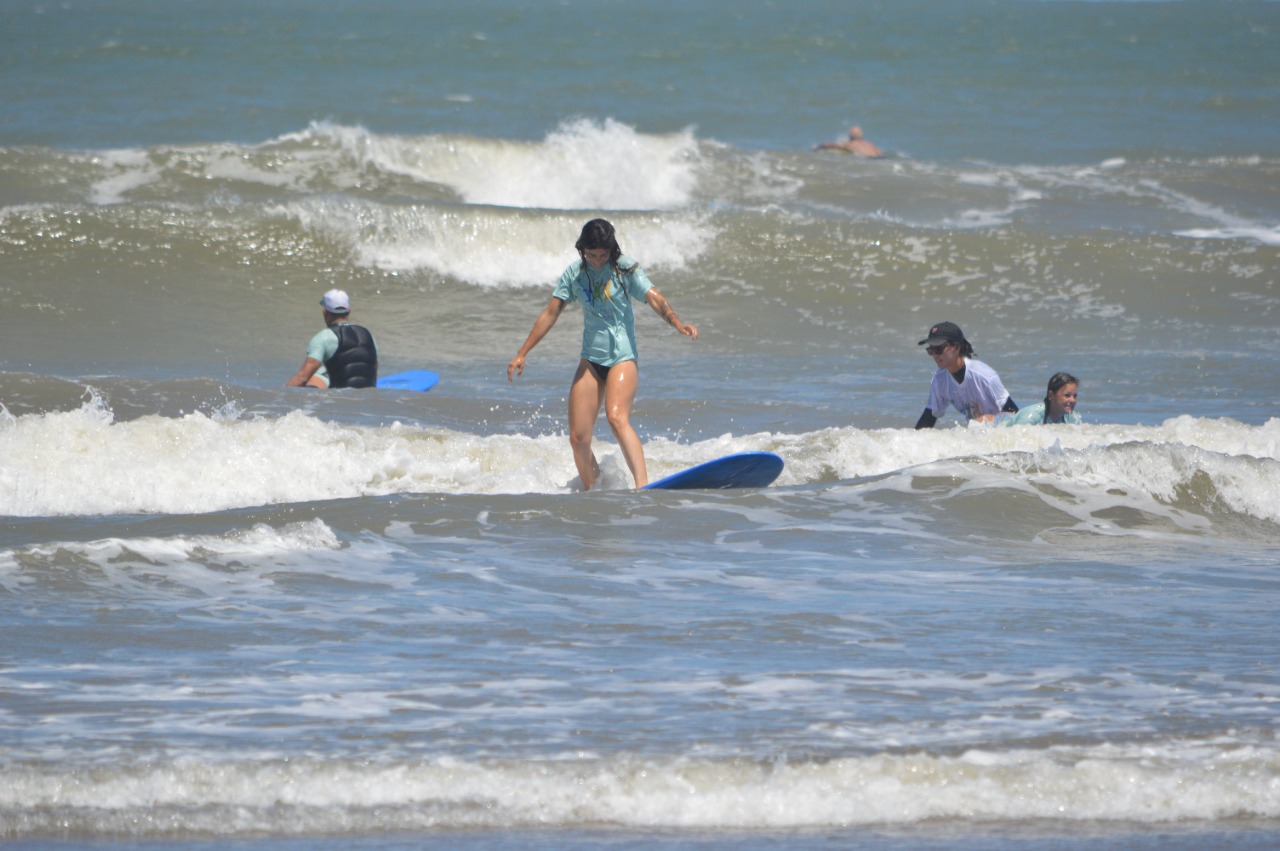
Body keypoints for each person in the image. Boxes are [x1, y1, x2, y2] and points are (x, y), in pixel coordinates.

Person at [507, 219, 699, 490]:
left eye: (603, 255)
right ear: (582, 250)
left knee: (616, 417)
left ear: (612, 250)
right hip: (591, 359)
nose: (597, 261)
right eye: (591, 255)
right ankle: (596, 489)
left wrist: (677, 323)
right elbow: (551, 313)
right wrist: (522, 352)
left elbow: (653, 297)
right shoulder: (575, 274)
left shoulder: (625, 269)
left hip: (622, 357)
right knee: (578, 439)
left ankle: (643, 487)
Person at [914, 321, 1018, 429]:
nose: (935, 355)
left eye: (939, 349)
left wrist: (990, 422)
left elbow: (1015, 416)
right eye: (931, 350)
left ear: (957, 347)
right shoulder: (939, 380)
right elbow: (928, 418)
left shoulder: (984, 376)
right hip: (976, 433)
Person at [284, 289, 378, 388]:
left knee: (315, 378)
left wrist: (281, 394)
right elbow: (374, 368)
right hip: (368, 395)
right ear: (349, 311)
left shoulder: (324, 337)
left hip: (340, 396)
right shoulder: (368, 335)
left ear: (324, 311)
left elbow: (302, 378)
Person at [1003, 372, 1081, 426]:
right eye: (1067, 395)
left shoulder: (1072, 419)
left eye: (1075, 396)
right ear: (1050, 395)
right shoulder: (1032, 416)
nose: (1073, 400)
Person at [816, 125, 885, 158]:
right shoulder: (870, 144)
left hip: (867, 159)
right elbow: (880, 152)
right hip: (879, 158)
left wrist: (819, 147)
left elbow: (832, 145)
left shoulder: (850, 144)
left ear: (850, 137)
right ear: (861, 135)